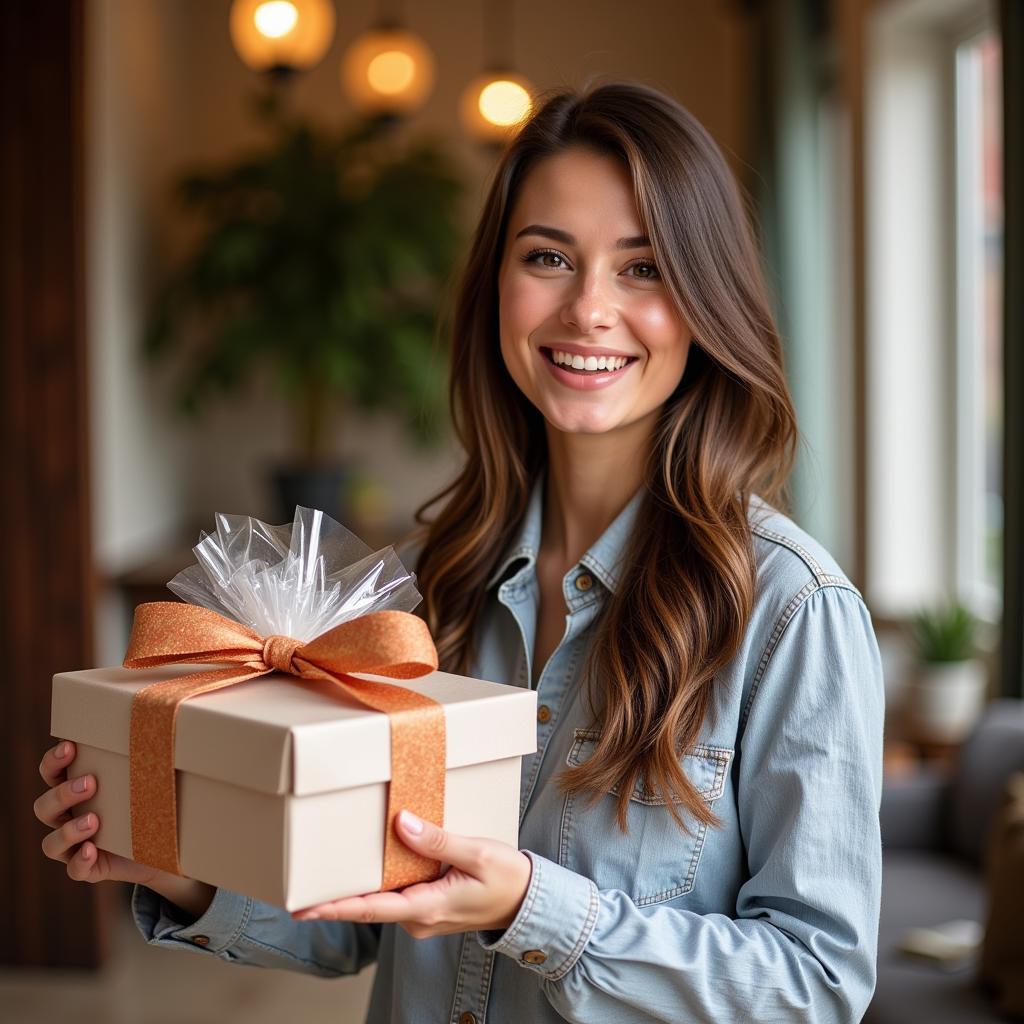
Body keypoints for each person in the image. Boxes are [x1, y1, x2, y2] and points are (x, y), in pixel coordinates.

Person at [35, 82, 884, 1023]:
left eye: (643, 268)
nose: (589, 308)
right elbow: (363, 909)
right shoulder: (429, 578)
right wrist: (179, 867)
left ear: (705, 300)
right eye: (549, 257)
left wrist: (534, 909)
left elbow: (817, 983)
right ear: (496, 286)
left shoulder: (790, 610)